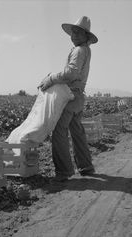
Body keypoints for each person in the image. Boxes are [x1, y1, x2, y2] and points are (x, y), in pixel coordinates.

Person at [38, 16, 98, 182]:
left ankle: (64, 172)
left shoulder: (79, 51)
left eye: (79, 33)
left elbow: (71, 73)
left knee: (59, 130)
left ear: (87, 36)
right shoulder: (85, 50)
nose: (75, 35)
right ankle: (86, 167)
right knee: (77, 131)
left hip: (71, 96)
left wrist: (51, 78)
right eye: (73, 32)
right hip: (79, 97)